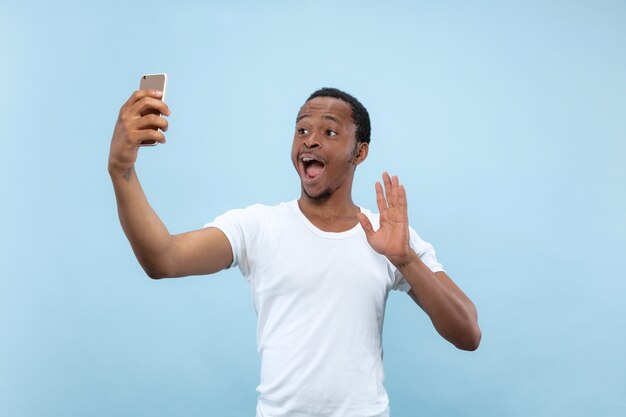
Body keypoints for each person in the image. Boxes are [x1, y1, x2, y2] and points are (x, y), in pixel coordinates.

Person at [108, 87, 481, 417]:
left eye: (330, 132)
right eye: (302, 130)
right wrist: (121, 168)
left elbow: (468, 333)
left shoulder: (389, 236)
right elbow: (164, 259)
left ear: (360, 152)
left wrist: (405, 259)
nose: (310, 140)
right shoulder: (257, 226)